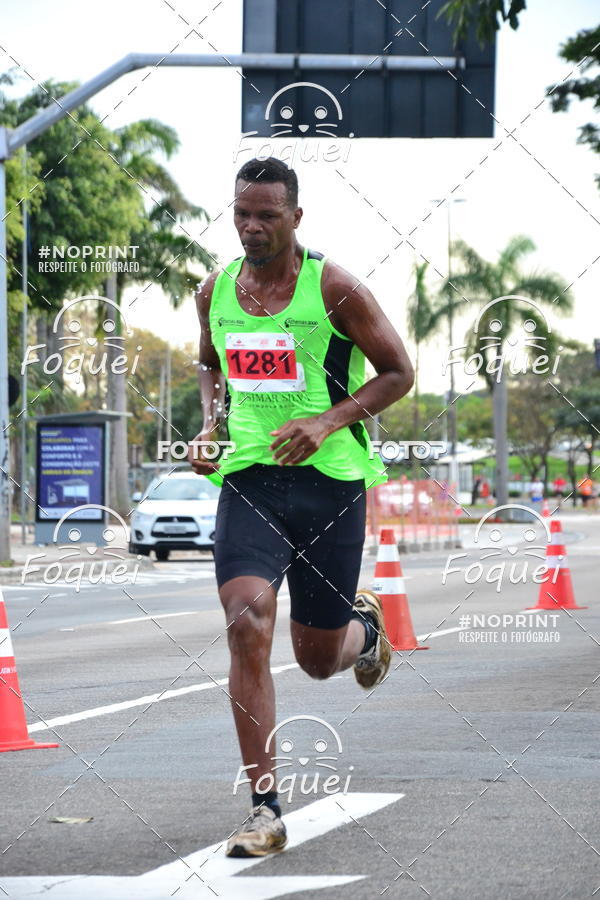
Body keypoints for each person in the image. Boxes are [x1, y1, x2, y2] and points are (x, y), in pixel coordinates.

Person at [188, 158, 414, 857]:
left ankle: (365, 633)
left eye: (267, 215)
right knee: (246, 623)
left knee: (318, 660)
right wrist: (210, 422)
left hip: (330, 484)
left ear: (295, 218)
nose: (251, 227)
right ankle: (264, 808)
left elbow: (400, 372)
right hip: (251, 480)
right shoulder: (214, 290)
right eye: (241, 213)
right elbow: (210, 364)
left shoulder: (335, 288)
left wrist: (326, 421)